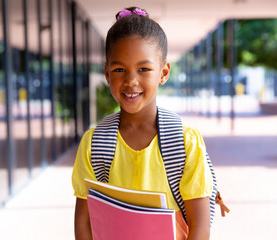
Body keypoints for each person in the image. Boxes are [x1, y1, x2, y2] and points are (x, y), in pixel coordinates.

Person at [72, 7, 213, 240]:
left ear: (163, 72)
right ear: (107, 73)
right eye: (119, 69)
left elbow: (200, 227)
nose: (131, 81)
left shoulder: (184, 142)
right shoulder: (94, 144)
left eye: (144, 69)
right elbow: (84, 225)